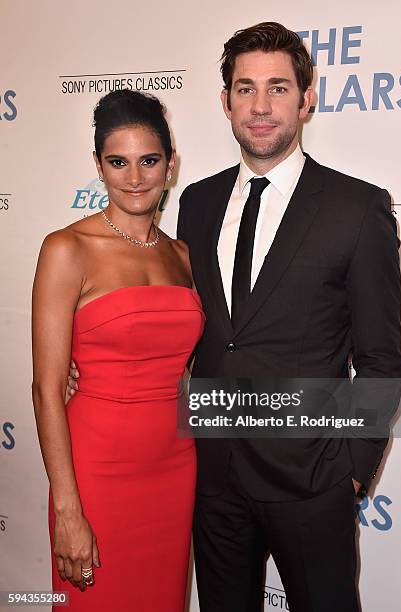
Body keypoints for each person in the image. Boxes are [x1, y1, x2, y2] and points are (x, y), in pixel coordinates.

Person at [68, 22, 401, 612]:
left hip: (311, 482)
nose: (261, 106)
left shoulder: (357, 207)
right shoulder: (196, 201)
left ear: (307, 97)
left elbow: (378, 358)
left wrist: (352, 472)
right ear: (225, 102)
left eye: (277, 87)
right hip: (210, 477)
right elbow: (191, 329)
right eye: (245, 89)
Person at [32, 89, 205, 611]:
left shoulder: (182, 254)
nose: (134, 178)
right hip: (96, 473)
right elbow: (45, 389)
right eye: (118, 162)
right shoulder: (67, 249)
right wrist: (67, 509)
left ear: (170, 165)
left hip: (174, 466)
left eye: (149, 160)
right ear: (98, 165)